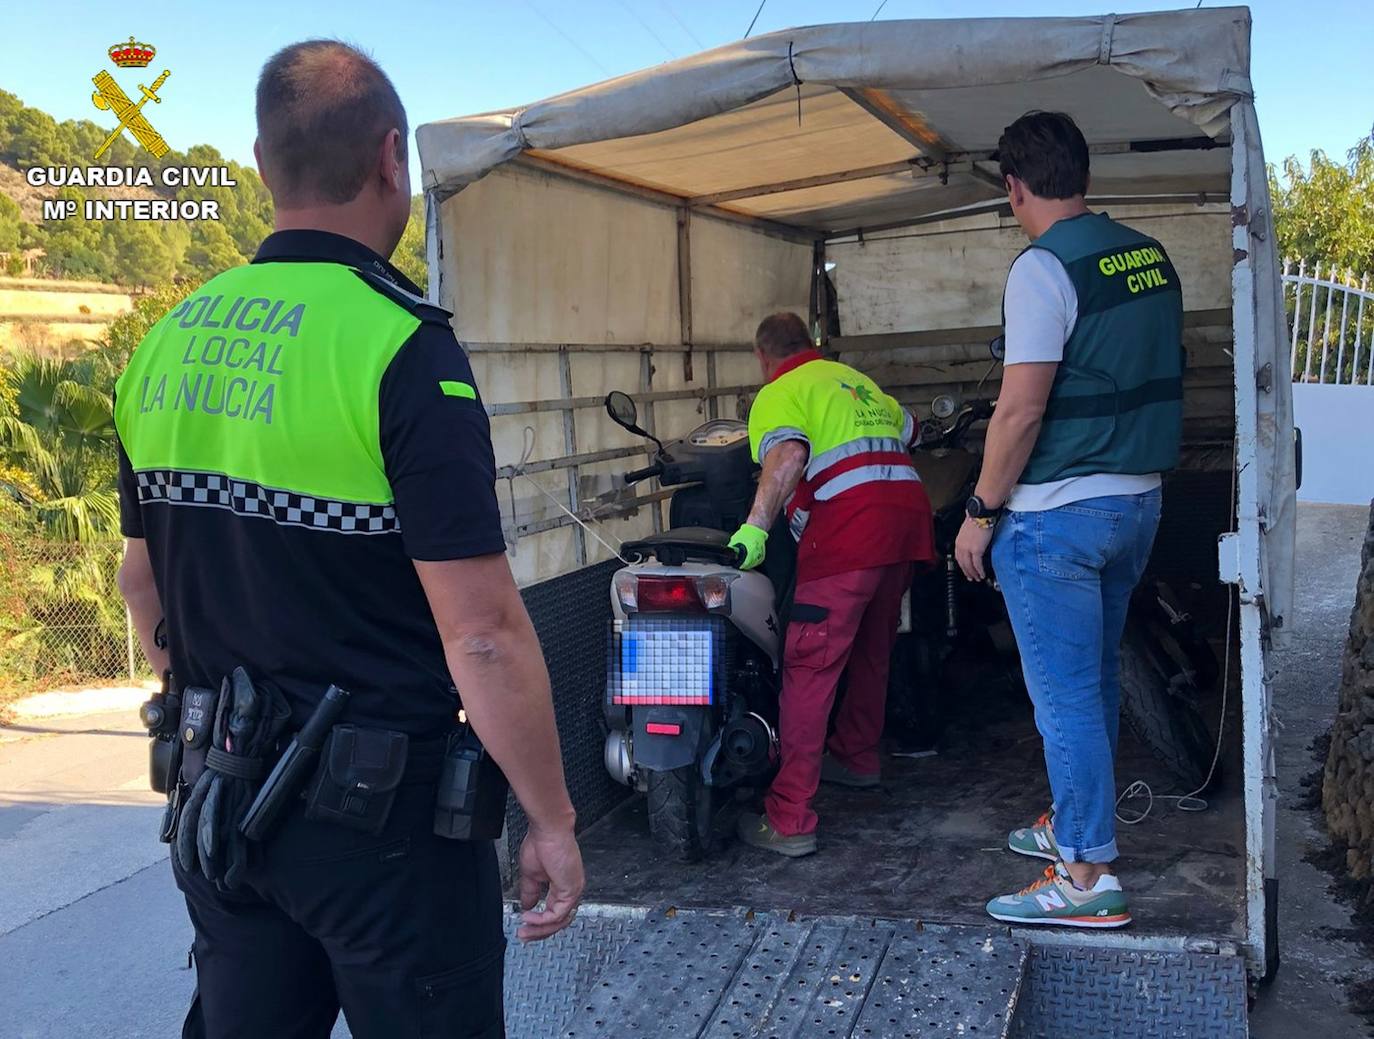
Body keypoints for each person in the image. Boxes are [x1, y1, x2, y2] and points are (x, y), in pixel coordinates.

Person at [114, 40, 583, 1038]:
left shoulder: (165, 343)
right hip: (387, 838)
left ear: (260, 162)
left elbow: (139, 583)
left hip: (221, 805)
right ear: (389, 158)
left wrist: (202, 702)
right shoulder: (403, 348)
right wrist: (552, 815)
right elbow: (485, 634)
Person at [953, 111, 1184, 928]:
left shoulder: (1041, 268)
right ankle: (1071, 820)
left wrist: (979, 511)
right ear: (1081, 173)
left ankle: (1087, 877)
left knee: (1063, 698)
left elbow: (1019, 411)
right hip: (1139, 503)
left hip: (1058, 516)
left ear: (1014, 187)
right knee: (1093, 677)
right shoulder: (1148, 256)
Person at [729, 312, 934, 857]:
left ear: (762, 357)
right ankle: (856, 756)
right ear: (813, 343)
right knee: (872, 650)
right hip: (906, 527)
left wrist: (755, 526)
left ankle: (790, 818)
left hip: (848, 534)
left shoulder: (780, 392)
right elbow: (913, 428)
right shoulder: (857, 382)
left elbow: (790, 454)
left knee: (810, 668)